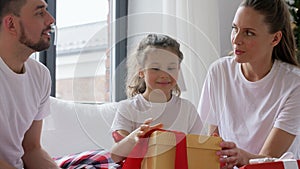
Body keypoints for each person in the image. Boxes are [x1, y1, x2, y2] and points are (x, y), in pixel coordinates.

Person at [198, 0, 300, 168]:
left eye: (249, 33)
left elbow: (267, 159)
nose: (236, 39)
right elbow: (210, 140)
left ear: (275, 38)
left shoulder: (294, 84)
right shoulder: (219, 71)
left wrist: (241, 157)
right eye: (234, 28)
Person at [110, 34, 203, 163]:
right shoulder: (128, 108)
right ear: (141, 71)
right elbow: (116, 156)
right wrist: (135, 137)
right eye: (155, 68)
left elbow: (199, 150)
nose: (164, 75)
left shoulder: (187, 109)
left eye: (171, 68)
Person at [0, 0, 59, 168]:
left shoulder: (40, 75)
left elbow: (32, 149)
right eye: (40, 13)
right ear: (11, 24)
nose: (51, 20)